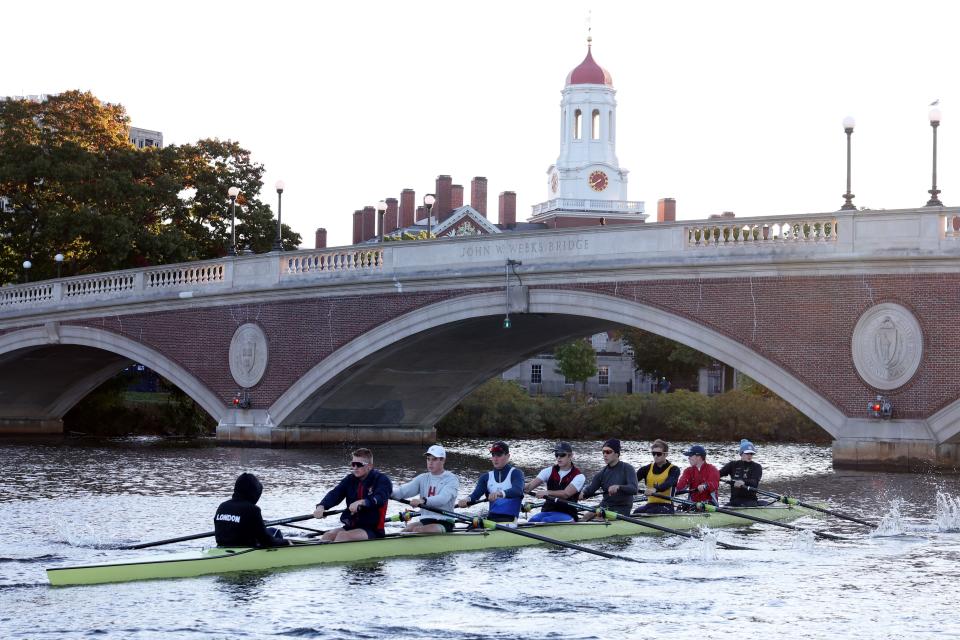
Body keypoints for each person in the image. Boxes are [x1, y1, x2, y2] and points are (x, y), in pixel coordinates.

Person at [313, 448, 392, 542]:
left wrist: (363, 502)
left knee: (343, 536)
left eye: (359, 465)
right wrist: (321, 506)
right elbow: (335, 493)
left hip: (372, 529)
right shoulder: (350, 479)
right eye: (353, 464)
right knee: (328, 535)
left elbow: (380, 498)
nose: (355, 468)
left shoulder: (382, 480)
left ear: (369, 466)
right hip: (351, 526)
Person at [391, 444, 460, 533]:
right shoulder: (422, 478)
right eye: (428, 459)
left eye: (434, 459)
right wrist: (386, 492)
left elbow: (443, 499)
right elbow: (402, 491)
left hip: (445, 521)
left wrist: (423, 501)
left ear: (443, 460)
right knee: (406, 530)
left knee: (418, 530)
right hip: (425, 520)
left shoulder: (451, 479)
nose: (430, 463)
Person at [214, 472, 290, 547]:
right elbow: (266, 541)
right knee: (276, 532)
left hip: (222, 546)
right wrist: (286, 542)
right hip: (244, 550)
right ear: (253, 492)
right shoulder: (252, 509)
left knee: (270, 530)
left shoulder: (222, 506)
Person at [457, 441, 525, 523]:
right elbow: (475, 495)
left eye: (499, 455)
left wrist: (499, 493)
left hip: (510, 520)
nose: (495, 458)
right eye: (493, 455)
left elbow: (517, 490)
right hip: (492, 520)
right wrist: (466, 499)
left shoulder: (516, 473)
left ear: (508, 456)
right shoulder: (485, 477)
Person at [525, 442, 586, 522]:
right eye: (556, 454)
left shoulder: (579, 476)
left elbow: (566, 494)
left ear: (570, 456)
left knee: (546, 520)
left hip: (567, 513)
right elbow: (529, 487)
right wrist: (516, 486)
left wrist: (547, 492)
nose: (558, 458)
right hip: (547, 511)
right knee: (533, 520)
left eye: (562, 455)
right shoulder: (548, 471)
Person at [579, 438, 638, 520]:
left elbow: (634, 489)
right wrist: (582, 493)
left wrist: (619, 487)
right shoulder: (602, 473)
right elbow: (590, 489)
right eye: (603, 452)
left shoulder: (627, 468)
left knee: (598, 519)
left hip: (621, 509)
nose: (605, 455)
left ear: (617, 453)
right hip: (604, 506)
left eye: (608, 452)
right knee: (586, 517)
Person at [633, 439, 680, 514]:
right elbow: (631, 481)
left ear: (666, 454)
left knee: (650, 512)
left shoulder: (674, 469)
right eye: (653, 453)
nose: (655, 456)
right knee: (636, 512)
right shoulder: (646, 469)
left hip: (667, 505)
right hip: (650, 504)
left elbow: (668, 483)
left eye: (658, 454)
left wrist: (655, 489)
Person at [718, 439, 763, 507]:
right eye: (747, 453)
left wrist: (743, 482)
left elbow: (754, 482)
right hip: (734, 501)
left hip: (750, 501)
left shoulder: (757, 467)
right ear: (741, 453)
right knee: (724, 507)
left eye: (751, 453)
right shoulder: (733, 465)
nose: (749, 455)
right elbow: (718, 474)